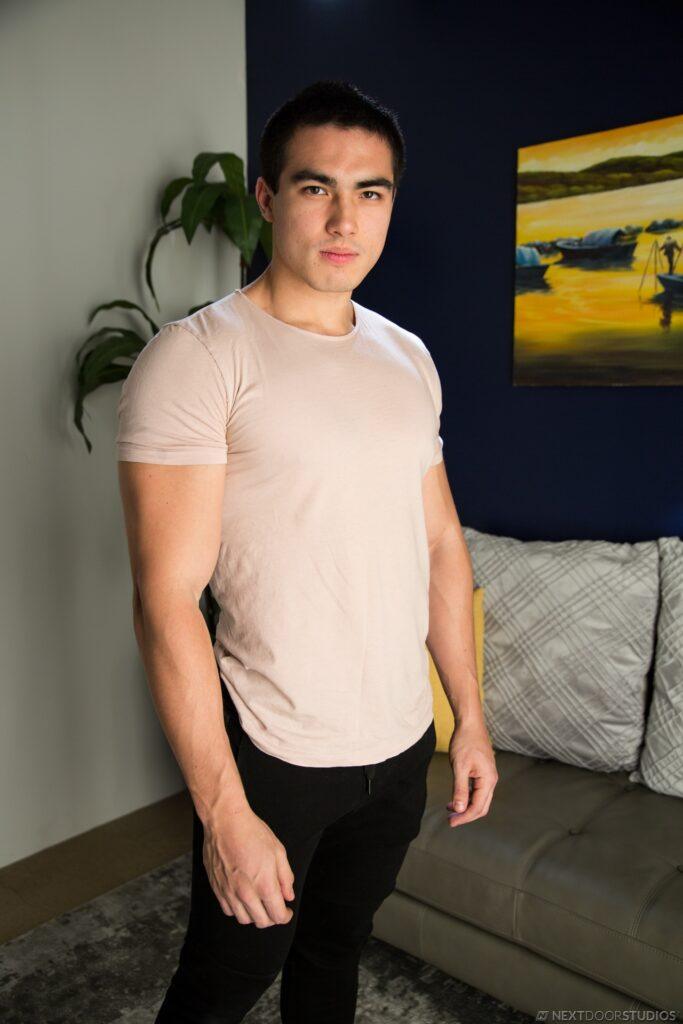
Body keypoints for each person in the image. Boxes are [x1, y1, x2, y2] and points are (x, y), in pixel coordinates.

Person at [116, 79, 497, 1024]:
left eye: (369, 191)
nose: (343, 219)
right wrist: (223, 812)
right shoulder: (198, 357)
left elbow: (440, 543)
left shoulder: (408, 357)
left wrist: (469, 717)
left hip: (401, 744)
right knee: (222, 985)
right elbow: (166, 601)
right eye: (315, 186)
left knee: (334, 956)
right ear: (266, 196)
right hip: (275, 753)